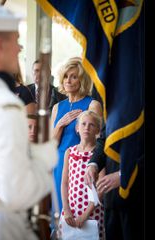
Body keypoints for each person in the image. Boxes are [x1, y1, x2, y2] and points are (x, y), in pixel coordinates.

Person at [0, 4, 58, 240]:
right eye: (16, 40)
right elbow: (16, 193)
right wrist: (42, 159)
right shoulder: (5, 104)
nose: (20, 48)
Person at [51, 57, 103, 213]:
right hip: (60, 163)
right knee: (61, 213)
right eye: (66, 76)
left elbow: (99, 139)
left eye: (74, 76)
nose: (68, 80)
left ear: (82, 80)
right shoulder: (57, 107)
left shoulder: (93, 104)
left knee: (81, 214)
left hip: (83, 165)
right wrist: (60, 125)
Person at [85, 125, 144, 240]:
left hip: (139, 197)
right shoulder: (112, 106)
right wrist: (93, 164)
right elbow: (104, 140)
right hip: (111, 197)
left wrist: (124, 175)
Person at [60, 110, 106, 239]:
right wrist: (66, 209)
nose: (87, 127)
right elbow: (64, 183)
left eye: (91, 125)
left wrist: (86, 214)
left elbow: (101, 188)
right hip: (71, 212)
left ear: (98, 130)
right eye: (83, 124)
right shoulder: (70, 152)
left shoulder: (99, 156)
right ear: (77, 128)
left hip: (92, 212)